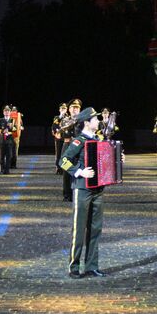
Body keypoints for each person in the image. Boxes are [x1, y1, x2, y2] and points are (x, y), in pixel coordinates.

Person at [59, 107, 107, 278]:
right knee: (79, 229)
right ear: (87, 122)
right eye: (95, 119)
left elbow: (105, 160)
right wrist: (80, 171)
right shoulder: (78, 141)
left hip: (98, 189)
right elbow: (62, 161)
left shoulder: (99, 139)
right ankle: (74, 267)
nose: (98, 121)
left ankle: (91, 265)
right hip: (82, 188)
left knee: (95, 229)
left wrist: (117, 159)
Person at [0, 105, 18, 175]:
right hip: (2, 139)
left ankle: (7, 169)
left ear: (10, 112)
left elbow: (15, 129)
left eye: (8, 111)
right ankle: (2, 169)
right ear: (3, 112)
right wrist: (3, 131)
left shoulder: (12, 120)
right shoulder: (0, 120)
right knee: (2, 156)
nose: (7, 112)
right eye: (5, 111)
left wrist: (12, 127)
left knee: (9, 155)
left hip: (10, 139)